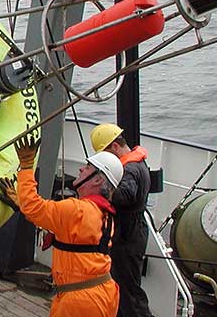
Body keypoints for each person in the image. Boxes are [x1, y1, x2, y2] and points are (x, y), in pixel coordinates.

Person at [0, 135, 124, 317]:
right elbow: (69, 234)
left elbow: (34, 208)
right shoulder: (104, 215)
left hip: (80, 300)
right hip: (105, 293)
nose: (81, 169)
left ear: (97, 180)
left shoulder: (77, 209)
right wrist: (22, 206)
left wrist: (26, 166)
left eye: (88, 168)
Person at [90, 123, 153, 317]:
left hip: (128, 234)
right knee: (120, 284)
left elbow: (125, 195)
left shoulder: (130, 170)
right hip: (130, 230)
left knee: (128, 290)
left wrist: (99, 189)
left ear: (115, 146)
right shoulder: (137, 163)